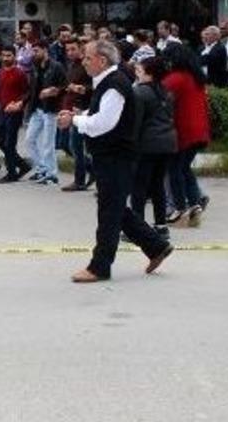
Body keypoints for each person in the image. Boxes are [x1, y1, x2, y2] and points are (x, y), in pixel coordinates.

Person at [58, 41, 174, 283]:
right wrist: (77, 115)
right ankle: (156, 246)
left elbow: (104, 124)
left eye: (88, 58)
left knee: (109, 213)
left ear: (102, 60)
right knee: (115, 206)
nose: (84, 61)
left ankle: (99, 267)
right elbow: (97, 114)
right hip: (110, 156)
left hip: (116, 156)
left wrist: (76, 122)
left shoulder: (114, 85)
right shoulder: (108, 82)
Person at [163, 44, 211, 226]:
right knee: (184, 168)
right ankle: (195, 202)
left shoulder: (174, 79)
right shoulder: (195, 77)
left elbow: (161, 101)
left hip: (182, 130)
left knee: (174, 170)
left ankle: (180, 209)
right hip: (199, 130)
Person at [130, 56, 177, 234]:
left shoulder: (140, 92)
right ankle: (161, 225)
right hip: (167, 142)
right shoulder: (166, 91)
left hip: (147, 144)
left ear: (149, 74)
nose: (137, 74)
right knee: (157, 185)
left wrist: (130, 144)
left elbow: (136, 122)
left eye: (139, 71)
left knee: (139, 186)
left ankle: (138, 228)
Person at [23, 41, 66, 186]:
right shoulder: (34, 67)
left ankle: (52, 174)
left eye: (36, 51)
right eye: (32, 51)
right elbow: (32, 89)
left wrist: (52, 91)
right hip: (37, 109)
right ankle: (42, 168)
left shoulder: (56, 66)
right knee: (29, 140)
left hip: (51, 110)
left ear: (45, 50)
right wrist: (23, 103)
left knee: (48, 143)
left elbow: (64, 86)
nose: (33, 54)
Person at [60, 39, 93, 191]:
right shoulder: (71, 65)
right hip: (70, 108)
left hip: (82, 110)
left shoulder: (86, 65)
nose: (70, 53)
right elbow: (68, 85)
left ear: (81, 49)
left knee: (76, 146)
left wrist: (82, 89)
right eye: (68, 50)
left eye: (73, 49)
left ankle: (79, 181)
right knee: (65, 144)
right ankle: (93, 171)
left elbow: (95, 86)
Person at [0, 47, 31, 183]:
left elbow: (27, 92)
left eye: (8, 56)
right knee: (1, 143)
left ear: (14, 57)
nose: (5, 58)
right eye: (3, 55)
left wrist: (19, 103)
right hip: (2, 111)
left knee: (10, 143)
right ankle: (23, 165)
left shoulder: (20, 73)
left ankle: (11, 173)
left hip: (15, 112)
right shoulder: (0, 72)